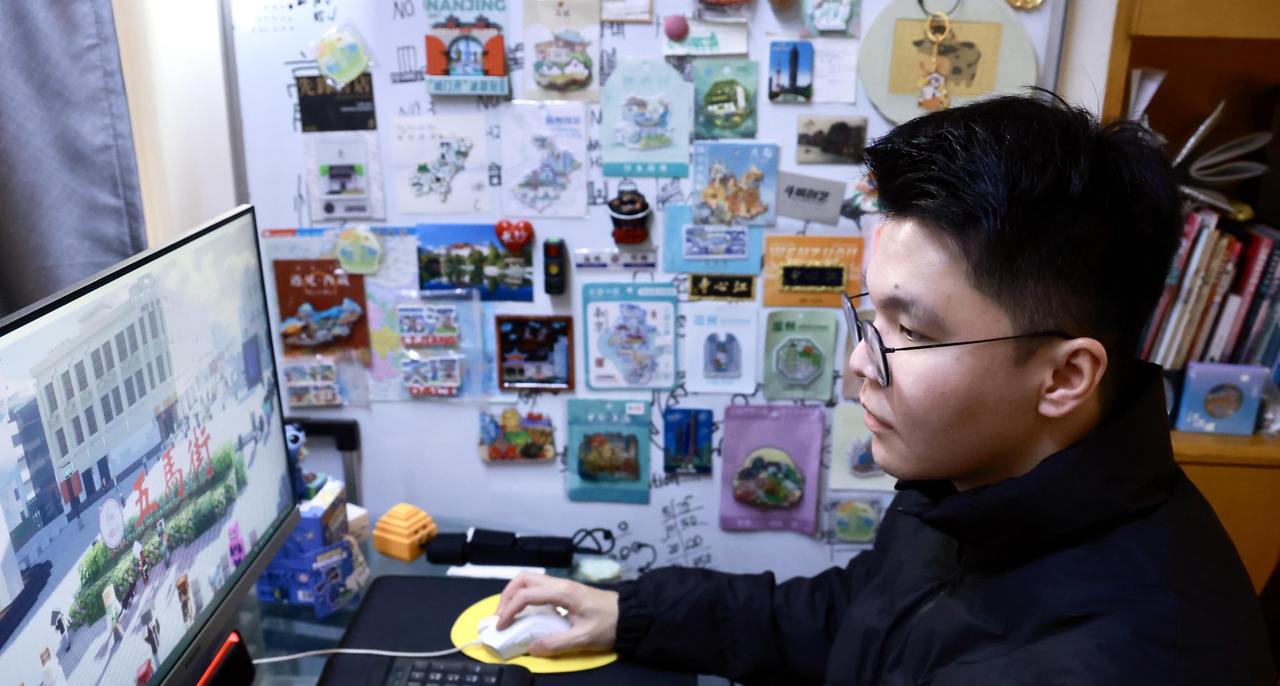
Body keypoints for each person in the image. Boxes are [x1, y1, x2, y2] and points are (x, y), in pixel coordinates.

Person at [495, 92, 1275, 684]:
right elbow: (853, 617)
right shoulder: (975, 481)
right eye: (875, 315)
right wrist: (633, 612)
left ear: (1065, 377)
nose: (858, 366)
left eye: (915, 332)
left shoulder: (1127, 655)